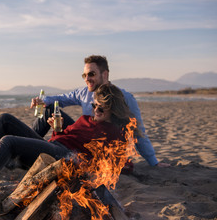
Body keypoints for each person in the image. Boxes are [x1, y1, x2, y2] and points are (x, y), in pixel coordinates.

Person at [0, 84, 135, 192]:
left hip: (66, 157)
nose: (96, 110)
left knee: (9, 141)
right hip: (55, 146)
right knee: (4, 119)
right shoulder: (86, 118)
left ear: (113, 109)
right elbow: (65, 137)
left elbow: (118, 164)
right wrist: (55, 130)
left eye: (102, 107)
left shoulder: (114, 133)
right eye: (94, 105)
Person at [31, 55, 170, 167]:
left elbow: (138, 131)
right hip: (81, 138)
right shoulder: (84, 93)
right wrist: (43, 100)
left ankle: (28, 149)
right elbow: (62, 98)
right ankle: (27, 148)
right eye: (84, 75)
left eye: (91, 74)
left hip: (100, 147)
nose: (87, 79)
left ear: (105, 74)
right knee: (49, 109)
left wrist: (153, 162)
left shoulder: (124, 98)